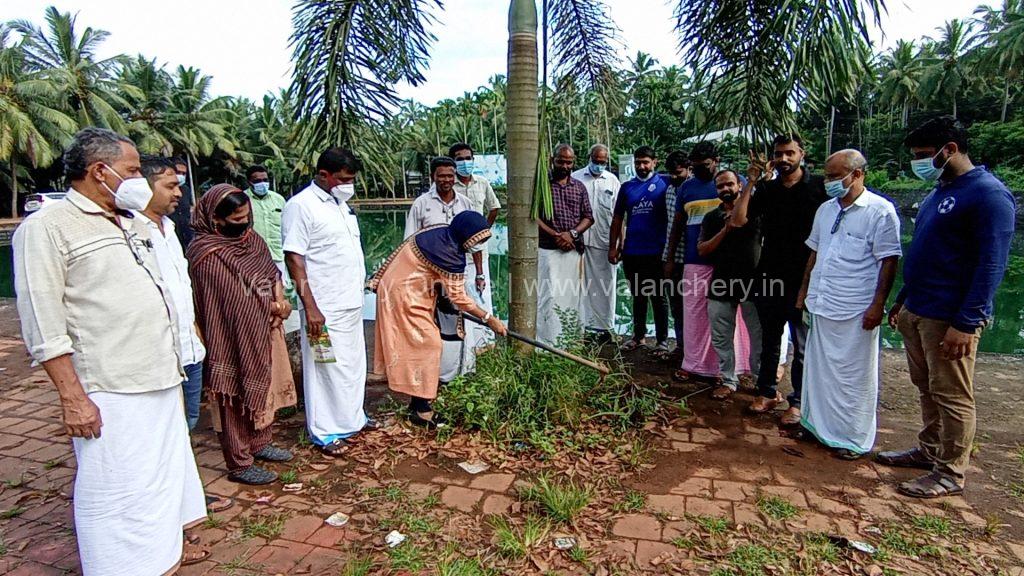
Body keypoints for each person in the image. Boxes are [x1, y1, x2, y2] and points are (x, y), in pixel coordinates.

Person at [13, 128, 207, 574]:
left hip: (160, 372)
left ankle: (161, 556)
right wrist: (72, 397)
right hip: (109, 384)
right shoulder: (47, 228)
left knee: (159, 478)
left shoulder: (134, 221)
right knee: (116, 485)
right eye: (133, 170)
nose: (140, 178)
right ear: (99, 172)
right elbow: (43, 323)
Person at [878, 117, 1015, 498]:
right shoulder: (940, 191)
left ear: (950, 149)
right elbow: (927, 251)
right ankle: (929, 450)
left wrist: (968, 322)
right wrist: (902, 299)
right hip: (918, 308)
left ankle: (951, 471)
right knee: (927, 387)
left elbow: (991, 265)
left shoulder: (988, 195)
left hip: (949, 316)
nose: (919, 163)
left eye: (924, 155)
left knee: (953, 394)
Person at [796, 150, 901, 459]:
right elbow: (814, 253)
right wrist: (804, 292)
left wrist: (877, 304)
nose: (828, 181)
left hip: (856, 307)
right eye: (826, 176)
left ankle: (851, 438)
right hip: (822, 300)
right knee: (817, 371)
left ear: (857, 174)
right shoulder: (825, 210)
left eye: (834, 175)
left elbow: (889, 261)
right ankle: (815, 426)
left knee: (853, 376)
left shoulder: (880, 211)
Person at [189, 185, 296, 484]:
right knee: (235, 391)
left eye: (247, 216)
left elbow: (270, 272)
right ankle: (239, 461)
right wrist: (271, 306)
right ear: (216, 219)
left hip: (266, 325)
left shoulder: (253, 240)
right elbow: (231, 297)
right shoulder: (206, 253)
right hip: (230, 334)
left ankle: (261, 442)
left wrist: (281, 302)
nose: (244, 223)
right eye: (236, 219)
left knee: (265, 382)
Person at [370, 211, 508, 428]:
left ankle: (417, 403)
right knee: (429, 344)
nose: (478, 245)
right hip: (404, 296)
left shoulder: (440, 233)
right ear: (466, 235)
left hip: (406, 290)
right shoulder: (448, 253)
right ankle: (422, 410)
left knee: (422, 346)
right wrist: (489, 318)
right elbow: (459, 298)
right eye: (477, 240)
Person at [732, 133, 827, 425]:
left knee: (801, 343)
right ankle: (767, 391)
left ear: (802, 153)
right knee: (770, 339)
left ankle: (798, 401)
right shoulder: (768, 190)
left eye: (789, 153)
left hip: (805, 276)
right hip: (769, 275)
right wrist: (751, 181)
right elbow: (738, 220)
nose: (783, 159)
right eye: (778, 154)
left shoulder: (820, 187)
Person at [283, 148, 372, 456]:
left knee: (351, 364)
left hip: (350, 302)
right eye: (344, 179)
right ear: (324, 175)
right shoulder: (301, 206)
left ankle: (352, 418)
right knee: (324, 367)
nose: (349, 184)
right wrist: (310, 307)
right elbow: (294, 257)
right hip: (322, 308)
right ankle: (324, 431)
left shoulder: (340, 205)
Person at [134, 156, 207, 432]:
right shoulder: (131, 233)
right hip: (159, 353)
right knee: (160, 426)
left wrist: (195, 331)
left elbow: (181, 289)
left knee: (189, 418)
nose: (179, 192)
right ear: (144, 187)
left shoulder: (171, 229)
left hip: (190, 348)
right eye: (170, 186)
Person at [665, 142, 727, 380]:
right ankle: (692, 364)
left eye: (706, 165)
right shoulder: (686, 188)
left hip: (724, 262)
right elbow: (677, 226)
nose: (701, 169)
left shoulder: (730, 183)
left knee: (722, 316)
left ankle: (722, 368)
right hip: (694, 260)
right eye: (696, 166)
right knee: (693, 314)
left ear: (717, 160)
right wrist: (669, 258)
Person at [698, 169, 762, 400]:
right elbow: (702, 249)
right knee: (721, 335)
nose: (725, 189)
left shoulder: (755, 211)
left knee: (758, 336)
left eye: (729, 185)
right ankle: (728, 379)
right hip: (721, 282)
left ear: (739, 185)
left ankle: (761, 381)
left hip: (752, 284)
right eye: (720, 186)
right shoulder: (711, 218)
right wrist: (724, 230)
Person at [609, 146, 670, 356]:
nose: (641, 167)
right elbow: (618, 219)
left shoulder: (665, 182)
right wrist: (614, 247)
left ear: (655, 162)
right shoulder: (627, 188)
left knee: (659, 296)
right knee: (638, 295)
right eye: (638, 162)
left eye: (645, 162)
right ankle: (638, 336)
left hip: (657, 251)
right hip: (632, 251)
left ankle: (662, 340)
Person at [536, 144, 594, 344]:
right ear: (553, 160)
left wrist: (572, 234)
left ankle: (571, 342)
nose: (565, 165)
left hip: (573, 250)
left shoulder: (579, 187)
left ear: (574, 162)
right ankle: (547, 343)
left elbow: (588, 217)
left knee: (572, 296)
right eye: (561, 161)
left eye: (569, 162)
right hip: (548, 250)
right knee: (549, 296)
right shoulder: (542, 185)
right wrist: (556, 235)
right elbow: (534, 216)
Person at [449, 143, 500, 348]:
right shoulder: (449, 186)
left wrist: (483, 231)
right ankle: (462, 344)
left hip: (479, 253)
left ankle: (484, 343)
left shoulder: (482, 183)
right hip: (455, 252)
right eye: (460, 159)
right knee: (458, 297)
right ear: (453, 161)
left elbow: (494, 207)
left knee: (481, 294)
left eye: (468, 158)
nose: (464, 162)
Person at [573, 143, 621, 342]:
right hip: (579, 241)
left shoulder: (612, 181)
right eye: (596, 161)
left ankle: (605, 328)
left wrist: (618, 244)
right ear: (589, 158)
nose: (599, 165)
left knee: (606, 285)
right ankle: (581, 327)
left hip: (604, 240)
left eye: (603, 162)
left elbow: (619, 215)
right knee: (577, 285)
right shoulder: (576, 178)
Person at [662, 151, 691, 349]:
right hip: (674, 256)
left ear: (689, 169)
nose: (673, 177)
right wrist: (668, 258)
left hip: (694, 258)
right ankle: (681, 347)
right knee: (677, 306)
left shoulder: (695, 190)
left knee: (695, 308)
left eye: (678, 173)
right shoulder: (670, 190)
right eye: (671, 173)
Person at [168, 156, 194, 248]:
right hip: (172, 233)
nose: (181, 176)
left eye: (183, 173)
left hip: (187, 235)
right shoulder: (163, 191)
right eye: (178, 172)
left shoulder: (186, 190)